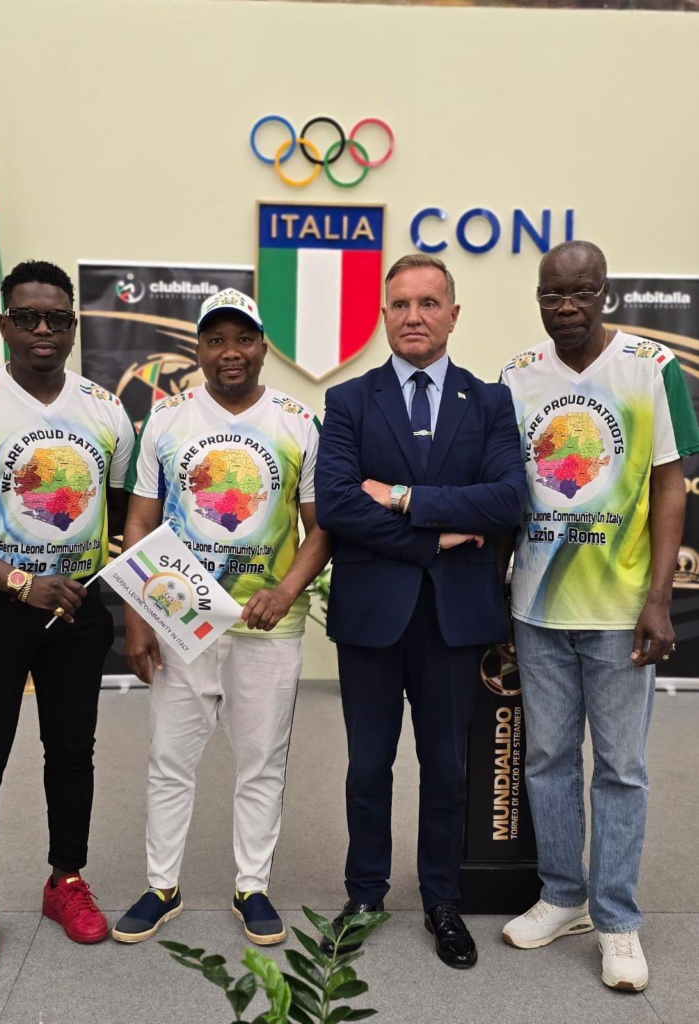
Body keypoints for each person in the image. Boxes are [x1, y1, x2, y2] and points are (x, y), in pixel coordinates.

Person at [0, 260, 135, 971]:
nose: (43, 328)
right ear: (5, 325)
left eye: (57, 318)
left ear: (74, 326)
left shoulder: (106, 411)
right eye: (28, 317)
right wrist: (19, 582)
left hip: (77, 612)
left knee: (71, 752)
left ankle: (65, 881)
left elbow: (127, 519)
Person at [314, 253, 526, 969]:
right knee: (368, 766)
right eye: (400, 304)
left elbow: (506, 500)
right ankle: (364, 896)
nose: (413, 316)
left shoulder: (488, 402)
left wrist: (404, 499)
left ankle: (441, 900)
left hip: (454, 618)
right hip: (371, 618)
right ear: (384, 315)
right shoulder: (349, 401)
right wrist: (436, 536)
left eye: (428, 303)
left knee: (446, 769)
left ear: (453, 315)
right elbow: (338, 505)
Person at [499, 240, 699, 992]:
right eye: (552, 294)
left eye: (580, 292)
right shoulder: (517, 376)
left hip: (620, 608)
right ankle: (563, 897)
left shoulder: (651, 367)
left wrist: (659, 598)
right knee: (548, 760)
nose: (566, 306)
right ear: (538, 298)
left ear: (604, 293)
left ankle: (616, 920)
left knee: (620, 768)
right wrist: (496, 594)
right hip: (537, 605)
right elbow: (505, 491)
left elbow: (670, 483)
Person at [112, 288, 330, 947]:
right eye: (215, 340)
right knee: (169, 758)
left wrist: (285, 591)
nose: (229, 352)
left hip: (267, 628)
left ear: (263, 347)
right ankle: (161, 886)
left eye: (242, 339)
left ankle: (251, 887)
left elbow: (321, 528)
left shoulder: (297, 421)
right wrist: (137, 617)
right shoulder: (167, 419)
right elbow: (139, 522)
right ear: (199, 349)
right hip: (183, 621)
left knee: (261, 762)